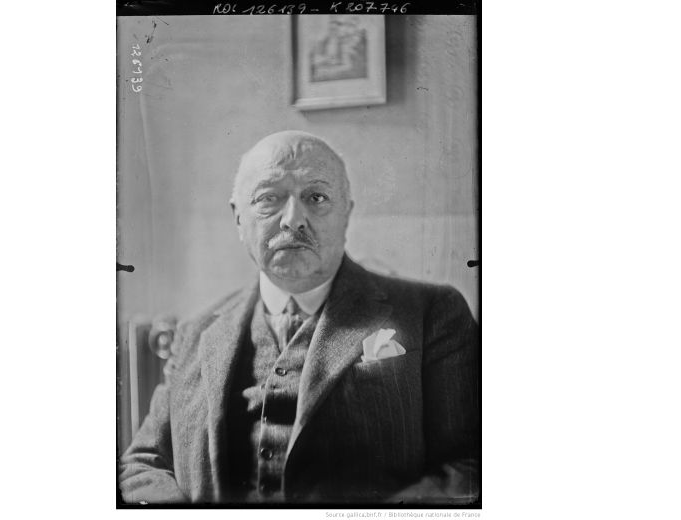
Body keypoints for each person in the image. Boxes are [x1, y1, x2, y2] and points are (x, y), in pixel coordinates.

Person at [118, 130, 479, 504]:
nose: (293, 219)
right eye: (268, 198)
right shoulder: (196, 331)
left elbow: (469, 467)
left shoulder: (432, 312)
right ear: (238, 218)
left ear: (346, 214)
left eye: (316, 197)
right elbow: (142, 463)